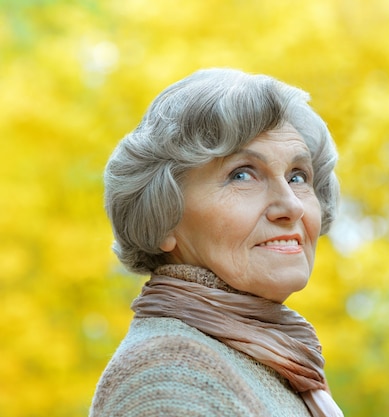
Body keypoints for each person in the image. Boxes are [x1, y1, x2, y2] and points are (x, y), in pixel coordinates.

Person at [89, 68, 343, 417]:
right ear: (163, 214)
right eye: (242, 174)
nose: (292, 205)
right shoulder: (169, 378)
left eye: (297, 176)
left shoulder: (269, 359)